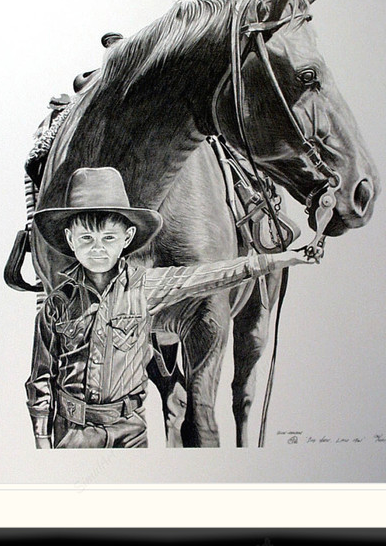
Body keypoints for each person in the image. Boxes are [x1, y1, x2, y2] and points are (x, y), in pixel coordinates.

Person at [26, 166, 316, 449]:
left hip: (130, 431)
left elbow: (210, 275)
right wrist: (41, 437)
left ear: (127, 238)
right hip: (73, 432)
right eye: (86, 239)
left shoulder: (144, 286)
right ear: (70, 239)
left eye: (109, 238)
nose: (98, 248)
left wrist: (283, 259)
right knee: (38, 161)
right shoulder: (57, 305)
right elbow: (41, 375)